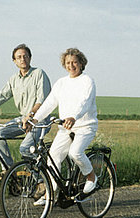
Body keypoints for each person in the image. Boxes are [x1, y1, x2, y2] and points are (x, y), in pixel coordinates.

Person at [25, 47, 98, 205]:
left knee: (75, 153)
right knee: (54, 157)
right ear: (64, 65)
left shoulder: (87, 81)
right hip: (66, 127)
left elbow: (85, 102)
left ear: (81, 63)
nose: (71, 65)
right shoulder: (61, 83)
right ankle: (50, 195)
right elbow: (50, 103)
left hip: (85, 126)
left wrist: (74, 116)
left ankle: (91, 176)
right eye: (68, 63)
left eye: (75, 62)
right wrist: (35, 119)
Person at [0, 44, 51, 174]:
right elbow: (1, 96)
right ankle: (9, 171)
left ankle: (41, 181)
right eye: (19, 57)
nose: (23, 59)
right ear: (14, 61)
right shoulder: (14, 79)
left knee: (25, 148)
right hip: (24, 119)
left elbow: (42, 100)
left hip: (40, 120)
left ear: (30, 58)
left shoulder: (39, 74)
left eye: (25, 56)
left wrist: (31, 115)